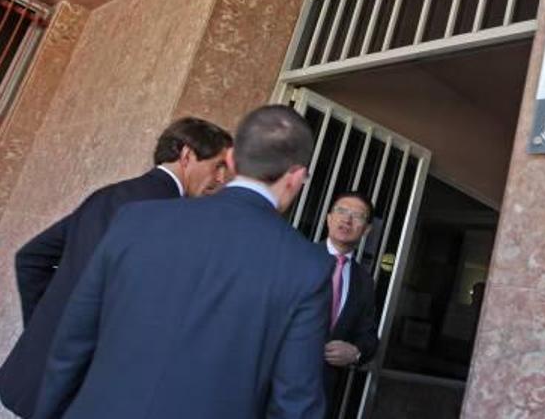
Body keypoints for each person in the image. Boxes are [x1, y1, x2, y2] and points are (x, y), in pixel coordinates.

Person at [33, 105, 332, 419]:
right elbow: (296, 404)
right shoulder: (307, 266)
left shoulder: (136, 219)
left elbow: (71, 346)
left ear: (231, 160)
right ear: (297, 177)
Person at [0, 116, 233, 418]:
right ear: (186, 155)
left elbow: (30, 258)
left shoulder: (107, 195)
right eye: (218, 166)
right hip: (85, 392)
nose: (221, 180)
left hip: (36, 377)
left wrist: (48, 328)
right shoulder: (171, 215)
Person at [322, 191, 379, 417]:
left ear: (366, 230)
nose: (347, 219)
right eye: (341, 211)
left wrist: (355, 353)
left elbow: (368, 336)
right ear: (329, 218)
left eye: (357, 215)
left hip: (324, 391)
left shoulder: (364, 281)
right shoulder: (299, 258)